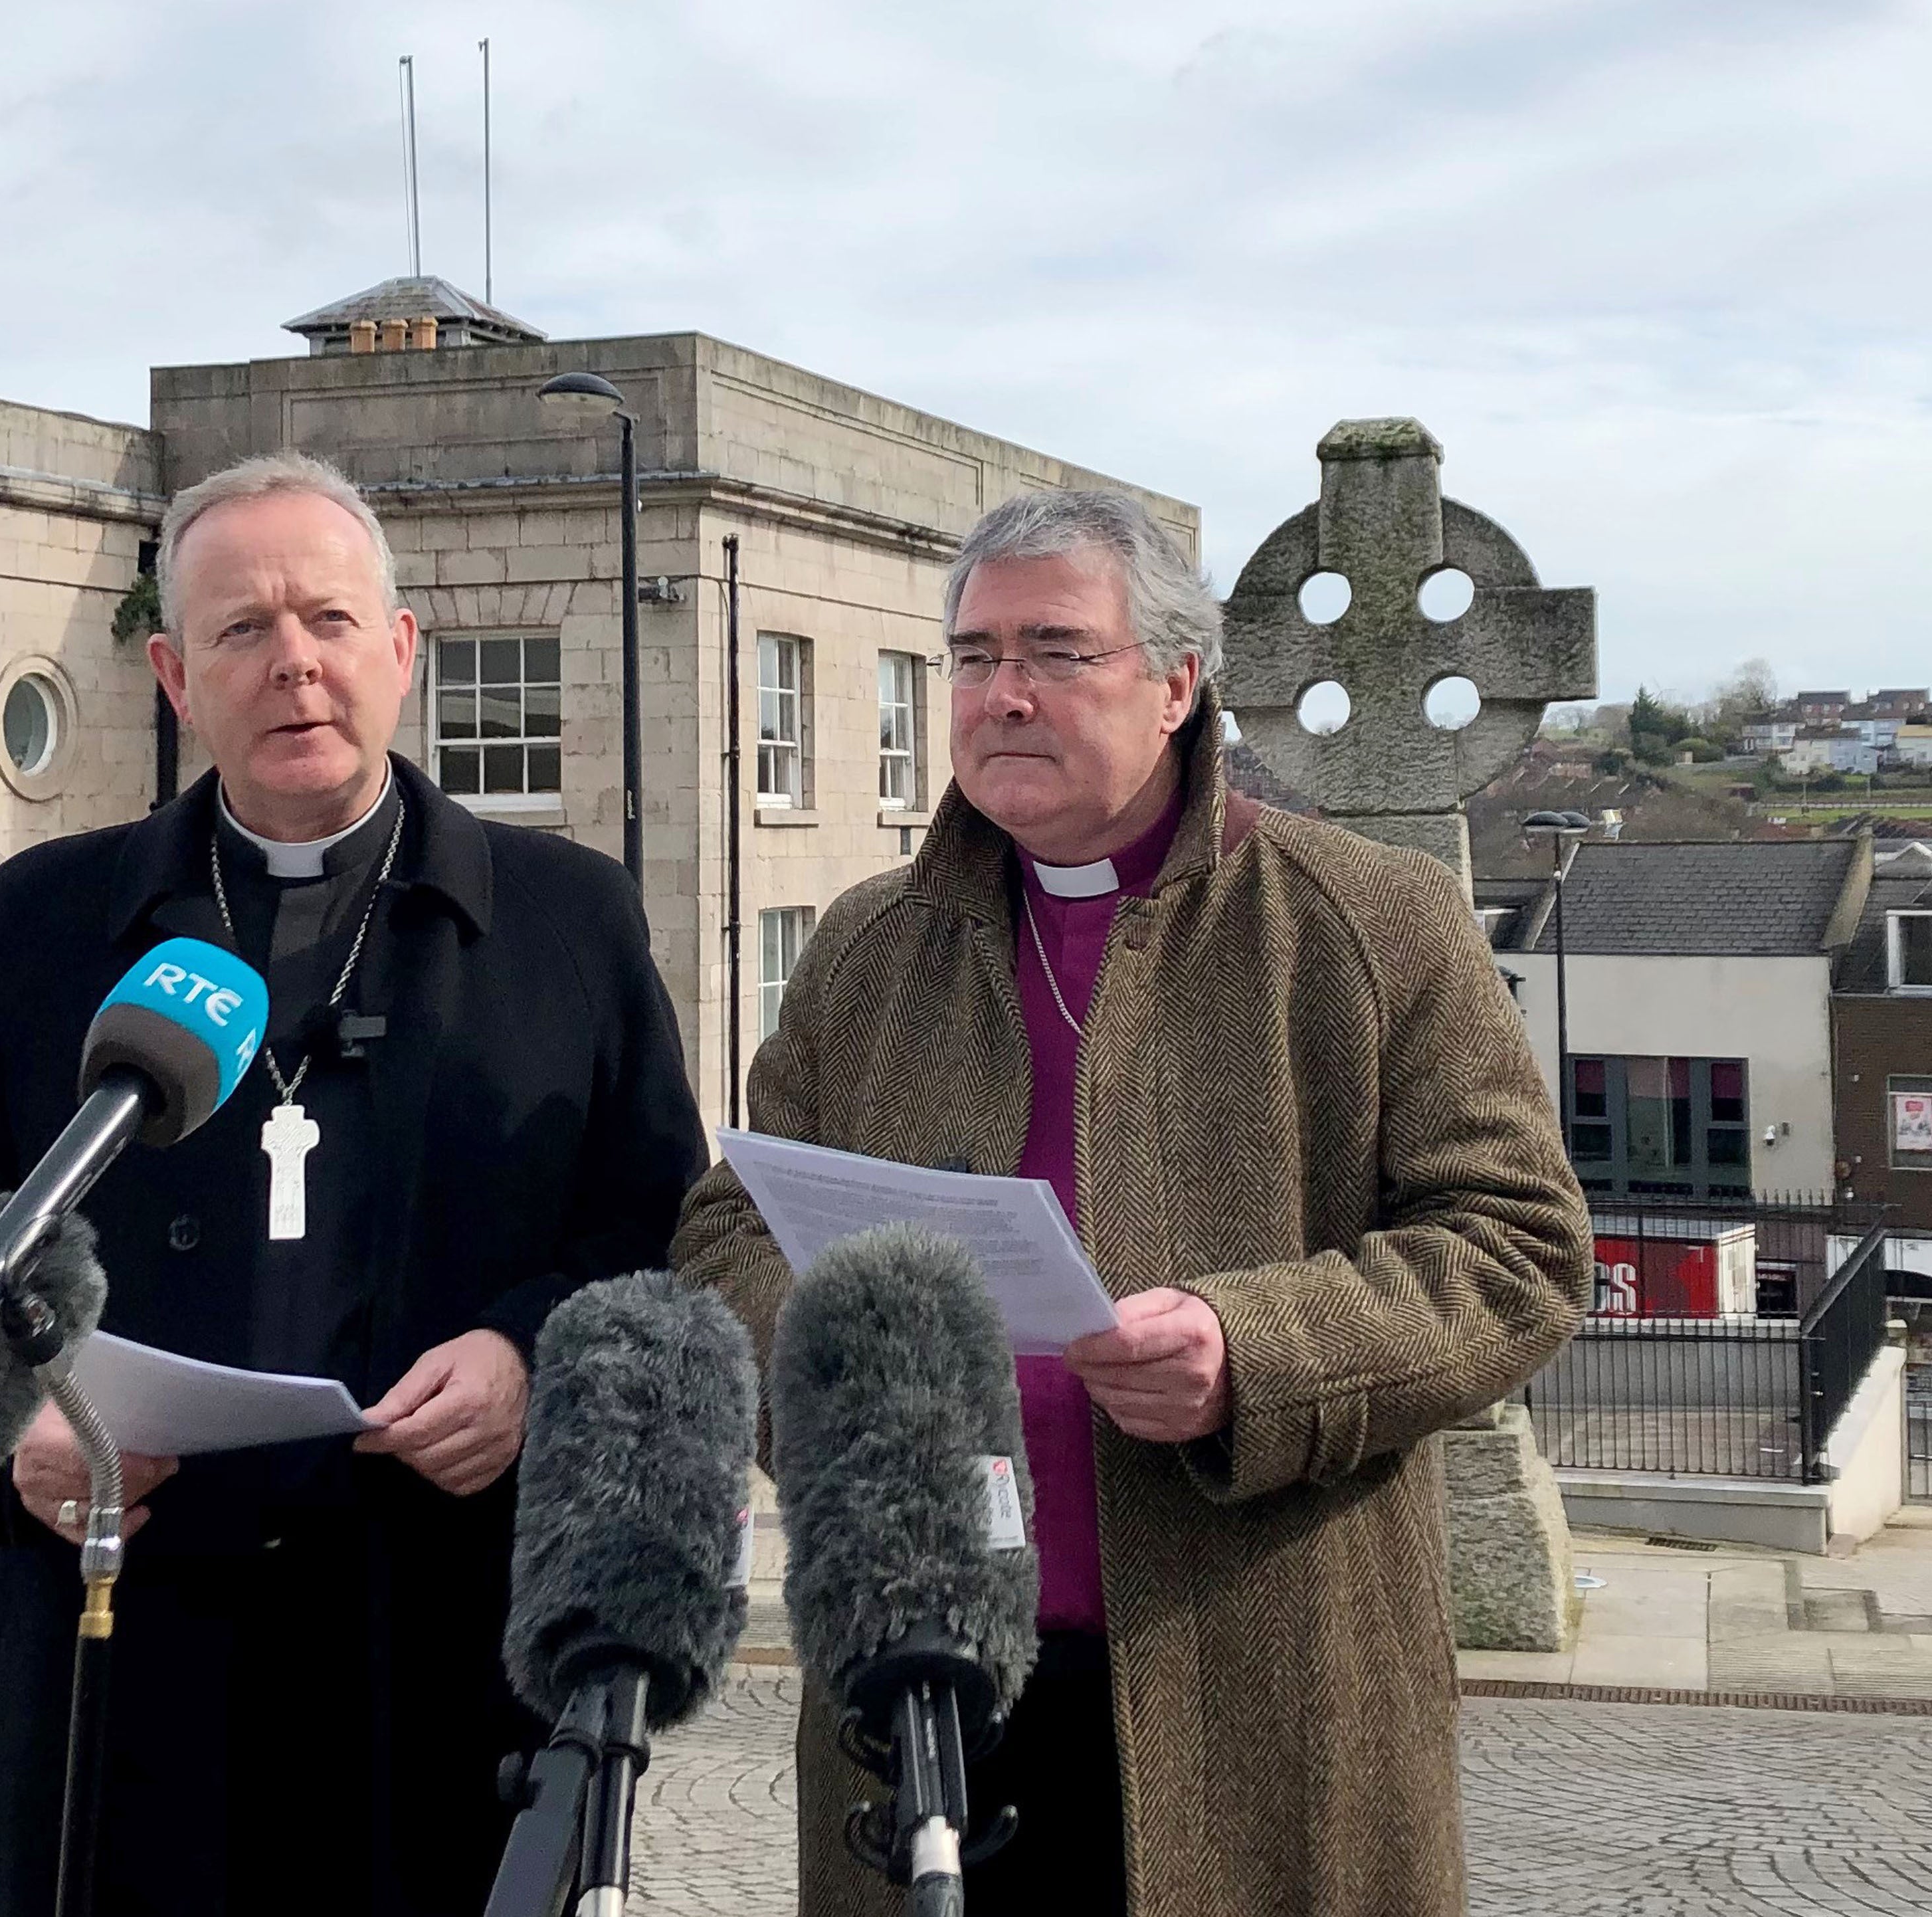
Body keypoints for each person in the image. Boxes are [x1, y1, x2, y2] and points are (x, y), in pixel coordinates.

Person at [672, 488, 1592, 1917]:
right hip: (919, 1670)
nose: (1003, 695)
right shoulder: (866, 945)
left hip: (1258, 1676)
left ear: (1176, 684)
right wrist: (843, 1357)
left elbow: (1517, 1249)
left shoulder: (1367, 919)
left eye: (1055, 651)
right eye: (972, 658)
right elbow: (733, 1222)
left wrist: (1250, 1353)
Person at [0, 452, 706, 1914]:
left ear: (400, 648)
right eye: (242, 631)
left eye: (325, 618)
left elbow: (656, 1239)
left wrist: (524, 1357)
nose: (292, 663)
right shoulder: (47, 922)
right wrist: (18, 1431)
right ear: (178, 676)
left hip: (442, 1625)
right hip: (123, 1631)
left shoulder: (569, 920)